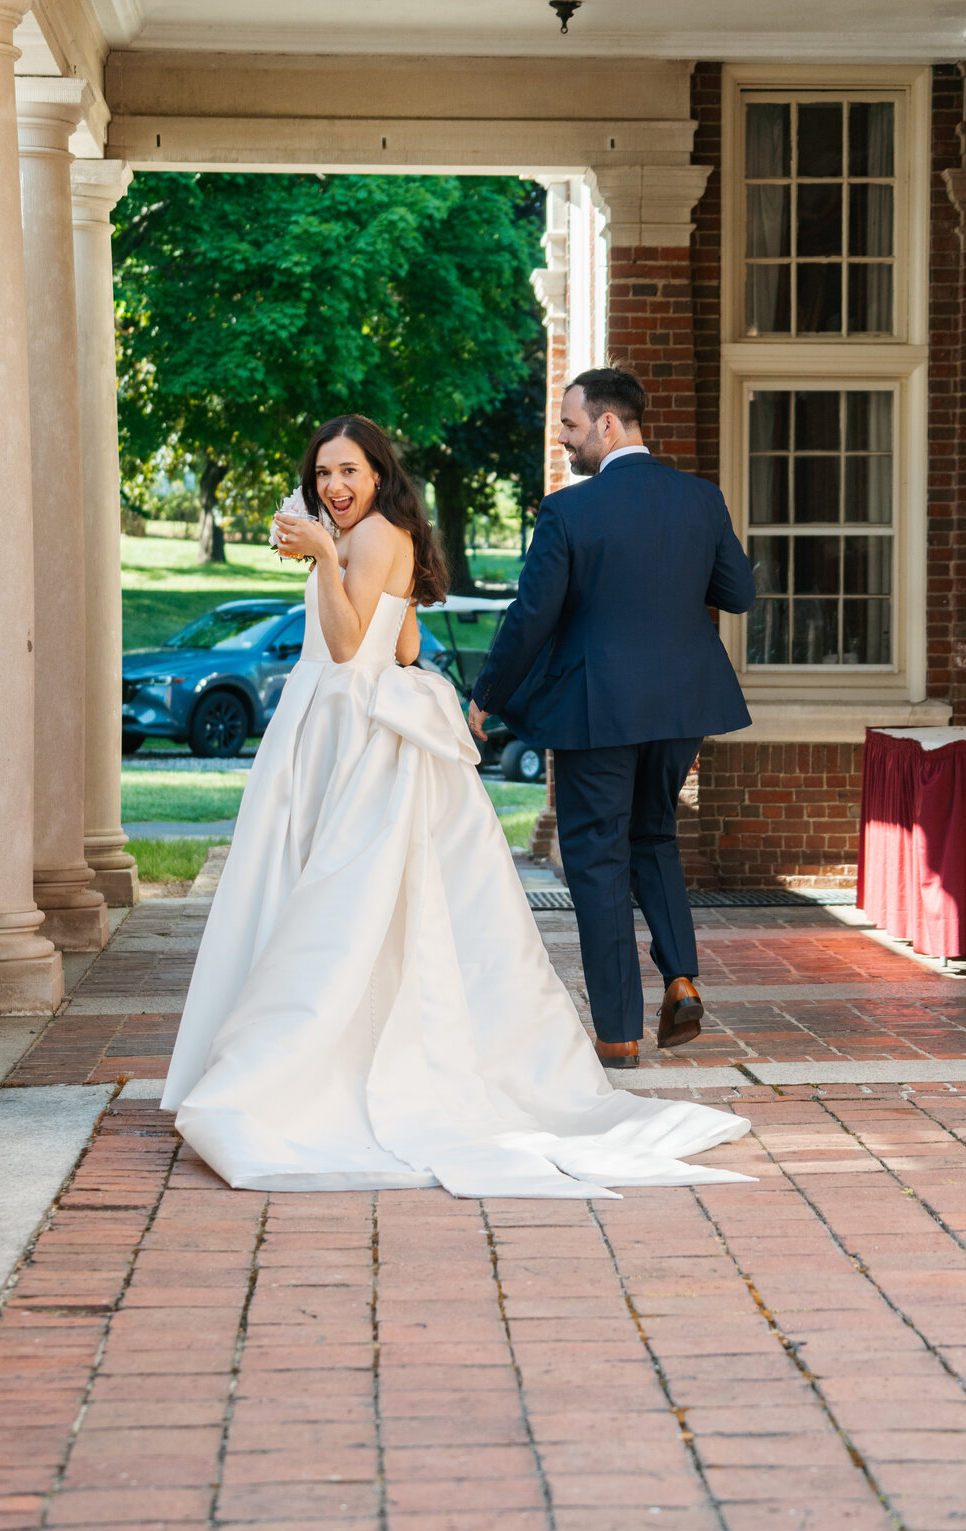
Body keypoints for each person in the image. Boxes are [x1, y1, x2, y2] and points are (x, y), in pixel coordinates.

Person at [162, 412, 753, 1198]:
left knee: (337, 897)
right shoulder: (383, 535)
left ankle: (319, 1062)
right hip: (348, 721)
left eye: (349, 471)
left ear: (378, 475)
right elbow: (403, 647)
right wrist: (337, 558)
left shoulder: (368, 537)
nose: (333, 485)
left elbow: (347, 647)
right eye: (324, 473)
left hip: (346, 723)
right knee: (351, 896)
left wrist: (326, 558)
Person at [469, 369, 756, 1069]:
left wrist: (487, 695)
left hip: (597, 708)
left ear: (607, 424)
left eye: (570, 426)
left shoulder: (569, 512)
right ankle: (681, 977)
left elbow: (531, 617)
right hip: (683, 704)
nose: (563, 440)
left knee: (597, 858)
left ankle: (619, 1032)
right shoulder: (701, 498)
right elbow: (738, 592)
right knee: (654, 835)